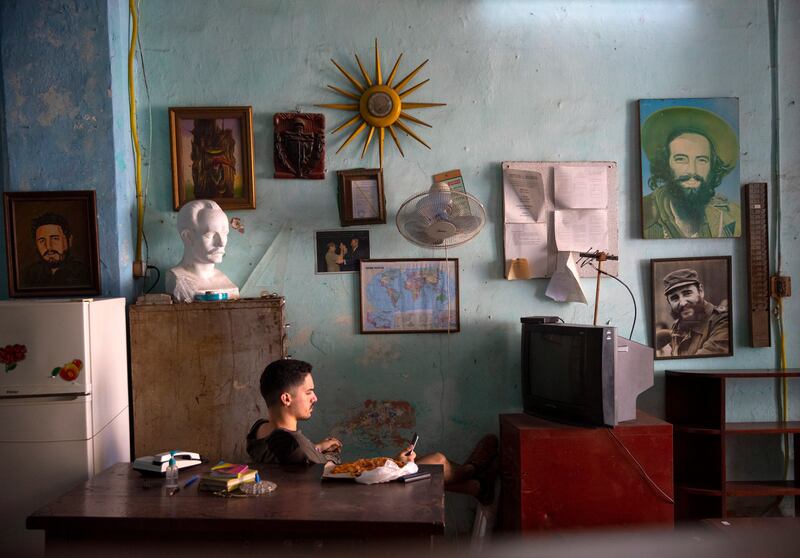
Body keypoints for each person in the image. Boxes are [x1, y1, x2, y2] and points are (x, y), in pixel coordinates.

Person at [246, 358, 499, 503]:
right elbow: (330, 471)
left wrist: (318, 447)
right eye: (309, 392)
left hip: (332, 489)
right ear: (286, 399)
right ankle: (471, 470)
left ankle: (476, 487)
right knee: (436, 461)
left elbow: (296, 456)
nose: (315, 398)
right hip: (352, 496)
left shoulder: (259, 431)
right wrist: (395, 464)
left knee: (419, 469)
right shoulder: (295, 445)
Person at [641, 106, 740, 239]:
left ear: (713, 167)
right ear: (665, 164)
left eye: (702, 160)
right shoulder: (644, 213)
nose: (693, 170)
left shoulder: (732, 215)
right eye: (681, 159)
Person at [165, 199, 240, 302]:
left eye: (224, 233)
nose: (221, 243)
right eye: (210, 235)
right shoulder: (177, 280)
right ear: (188, 237)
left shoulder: (225, 280)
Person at [656, 268, 729, 357]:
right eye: (674, 298)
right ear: (669, 302)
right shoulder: (677, 326)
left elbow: (701, 362)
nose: (682, 303)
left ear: (700, 291)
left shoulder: (723, 320)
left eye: (687, 293)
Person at [23, 212, 90, 288]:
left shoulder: (84, 273)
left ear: (69, 241)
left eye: (55, 238)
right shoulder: (30, 274)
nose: (48, 247)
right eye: (42, 240)